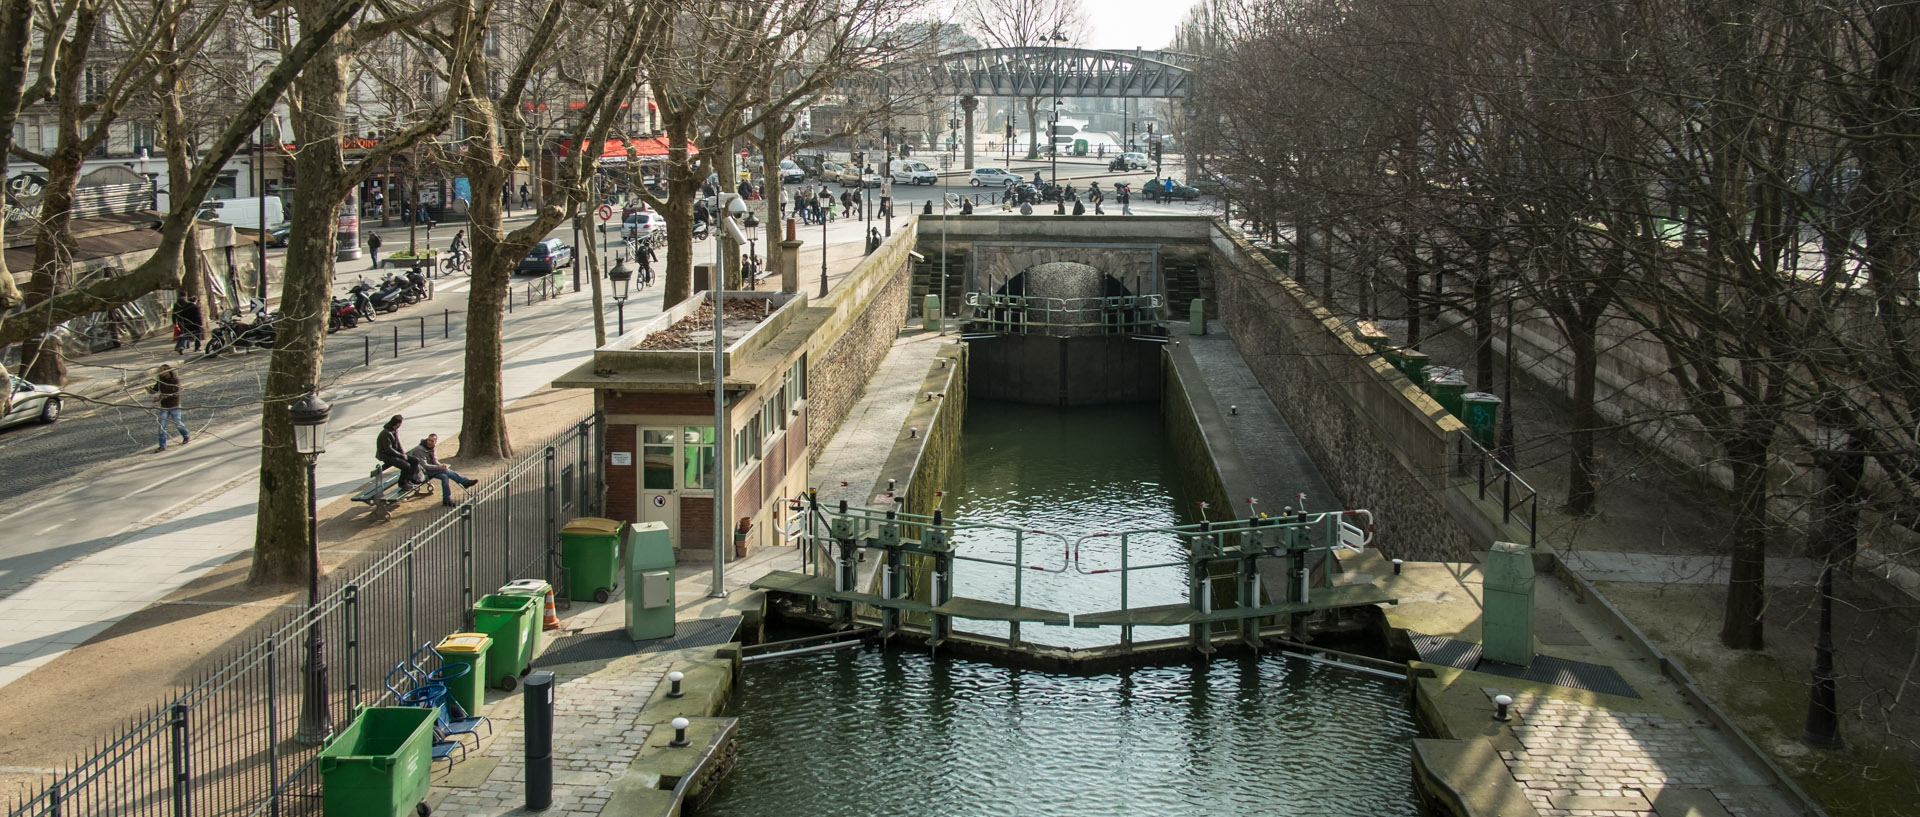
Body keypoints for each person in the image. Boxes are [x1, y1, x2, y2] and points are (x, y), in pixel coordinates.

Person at [408, 434, 479, 507]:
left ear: (435, 442)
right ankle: (464, 482)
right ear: (427, 439)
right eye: (429, 440)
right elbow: (424, 466)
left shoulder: (432, 448)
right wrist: (439, 467)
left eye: (432, 441)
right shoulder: (419, 449)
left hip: (430, 470)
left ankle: (446, 500)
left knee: (444, 476)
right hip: (421, 473)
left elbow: (435, 461)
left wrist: (441, 465)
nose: (430, 442)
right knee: (445, 471)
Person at [376, 415, 427, 490]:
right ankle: (402, 483)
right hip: (386, 455)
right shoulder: (386, 433)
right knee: (406, 466)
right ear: (397, 423)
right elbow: (388, 449)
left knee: (415, 460)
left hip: (394, 454)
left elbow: (398, 443)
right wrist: (401, 455)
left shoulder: (394, 430)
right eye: (400, 423)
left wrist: (403, 454)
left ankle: (408, 480)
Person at [149, 364, 189, 452]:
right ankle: (162, 445)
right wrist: (149, 390)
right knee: (161, 426)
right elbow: (155, 389)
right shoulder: (161, 379)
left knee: (178, 423)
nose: (161, 372)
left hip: (174, 405)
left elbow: (174, 393)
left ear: (168, 371)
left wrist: (160, 398)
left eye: (162, 370)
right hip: (164, 406)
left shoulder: (175, 380)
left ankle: (186, 435)